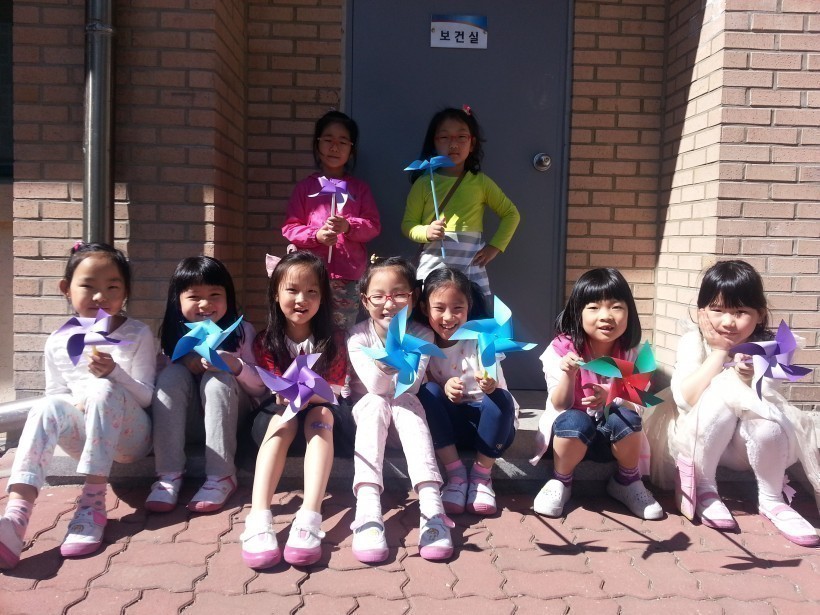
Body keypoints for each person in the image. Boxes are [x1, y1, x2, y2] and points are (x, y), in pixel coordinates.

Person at [0, 243, 154, 568]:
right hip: (86, 437)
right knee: (46, 407)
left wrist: (115, 374)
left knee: (102, 388)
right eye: (88, 286)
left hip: (132, 439)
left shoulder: (138, 333)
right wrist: (77, 403)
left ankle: (92, 504)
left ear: (126, 292)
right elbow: (56, 395)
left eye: (112, 287)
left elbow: (146, 398)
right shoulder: (58, 341)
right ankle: (15, 517)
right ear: (66, 289)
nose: (100, 296)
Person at [667, 260, 819, 546]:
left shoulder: (770, 349)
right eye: (717, 310)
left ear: (760, 315)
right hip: (700, 439)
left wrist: (749, 376)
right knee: (720, 393)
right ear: (701, 312)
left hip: (748, 447)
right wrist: (719, 352)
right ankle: (705, 487)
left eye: (740, 312)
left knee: (768, 422)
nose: (728, 322)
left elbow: (765, 399)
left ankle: (772, 499)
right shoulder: (693, 342)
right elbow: (685, 400)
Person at [240, 251, 349, 569]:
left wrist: (307, 396)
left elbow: (334, 388)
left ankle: (310, 515)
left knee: (321, 415)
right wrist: (288, 397)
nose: (302, 299)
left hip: (322, 416)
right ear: (276, 293)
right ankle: (259, 517)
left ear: (323, 297)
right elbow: (274, 388)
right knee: (281, 421)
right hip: (281, 416)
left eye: (312, 291)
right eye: (292, 290)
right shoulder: (265, 341)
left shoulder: (335, 339)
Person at [532, 268, 662, 521]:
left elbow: (639, 404)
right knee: (573, 419)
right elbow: (559, 404)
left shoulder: (634, 353)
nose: (606, 316)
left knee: (627, 417)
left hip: (611, 441)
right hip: (570, 437)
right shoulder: (560, 351)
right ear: (577, 313)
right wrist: (568, 375)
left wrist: (613, 395)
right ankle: (561, 480)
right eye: (593, 307)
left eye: (616, 307)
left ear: (630, 313)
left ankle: (627, 480)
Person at [347, 256, 453, 563]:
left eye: (399, 294)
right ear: (365, 300)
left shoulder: (422, 336)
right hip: (369, 427)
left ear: (413, 297)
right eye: (378, 296)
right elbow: (376, 387)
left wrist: (391, 361)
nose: (389, 303)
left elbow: (411, 386)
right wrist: (387, 364)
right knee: (374, 401)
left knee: (405, 401)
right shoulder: (357, 336)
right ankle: (368, 510)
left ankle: (432, 507)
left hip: (407, 422)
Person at [145, 256, 260, 514]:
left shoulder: (243, 332)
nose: (205, 304)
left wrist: (235, 366)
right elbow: (161, 391)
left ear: (228, 297)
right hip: (190, 424)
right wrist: (183, 362)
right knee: (171, 375)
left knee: (218, 379)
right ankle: (168, 475)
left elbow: (260, 389)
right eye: (194, 296)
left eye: (215, 294)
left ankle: (221, 475)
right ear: (178, 300)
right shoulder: (172, 336)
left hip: (231, 420)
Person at [416, 267, 516, 516]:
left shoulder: (482, 339)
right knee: (427, 391)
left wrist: (490, 383)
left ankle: (482, 477)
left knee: (500, 398)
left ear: (469, 307)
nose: (448, 316)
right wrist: (444, 387)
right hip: (453, 428)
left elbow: (495, 383)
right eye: (439, 308)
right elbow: (426, 383)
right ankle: (456, 475)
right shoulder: (423, 342)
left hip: (492, 429)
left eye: (457, 308)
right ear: (424, 308)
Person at [401, 106, 520, 297]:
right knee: (432, 309)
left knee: (474, 311)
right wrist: (426, 232)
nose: (453, 144)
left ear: (472, 144)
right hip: (433, 268)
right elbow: (408, 225)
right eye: (444, 137)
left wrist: (494, 248)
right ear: (434, 143)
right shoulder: (423, 184)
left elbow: (511, 214)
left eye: (461, 137)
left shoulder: (481, 182)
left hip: (471, 269)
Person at [282, 110, 381, 330]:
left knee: (341, 331)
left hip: (348, 276)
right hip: (310, 274)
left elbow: (373, 226)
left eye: (343, 142)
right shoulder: (305, 188)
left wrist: (349, 226)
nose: (335, 147)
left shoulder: (359, 189)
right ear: (317, 144)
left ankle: (339, 355)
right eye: (328, 140)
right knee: (309, 328)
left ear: (352, 149)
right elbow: (290, 228)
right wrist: (316, 236)